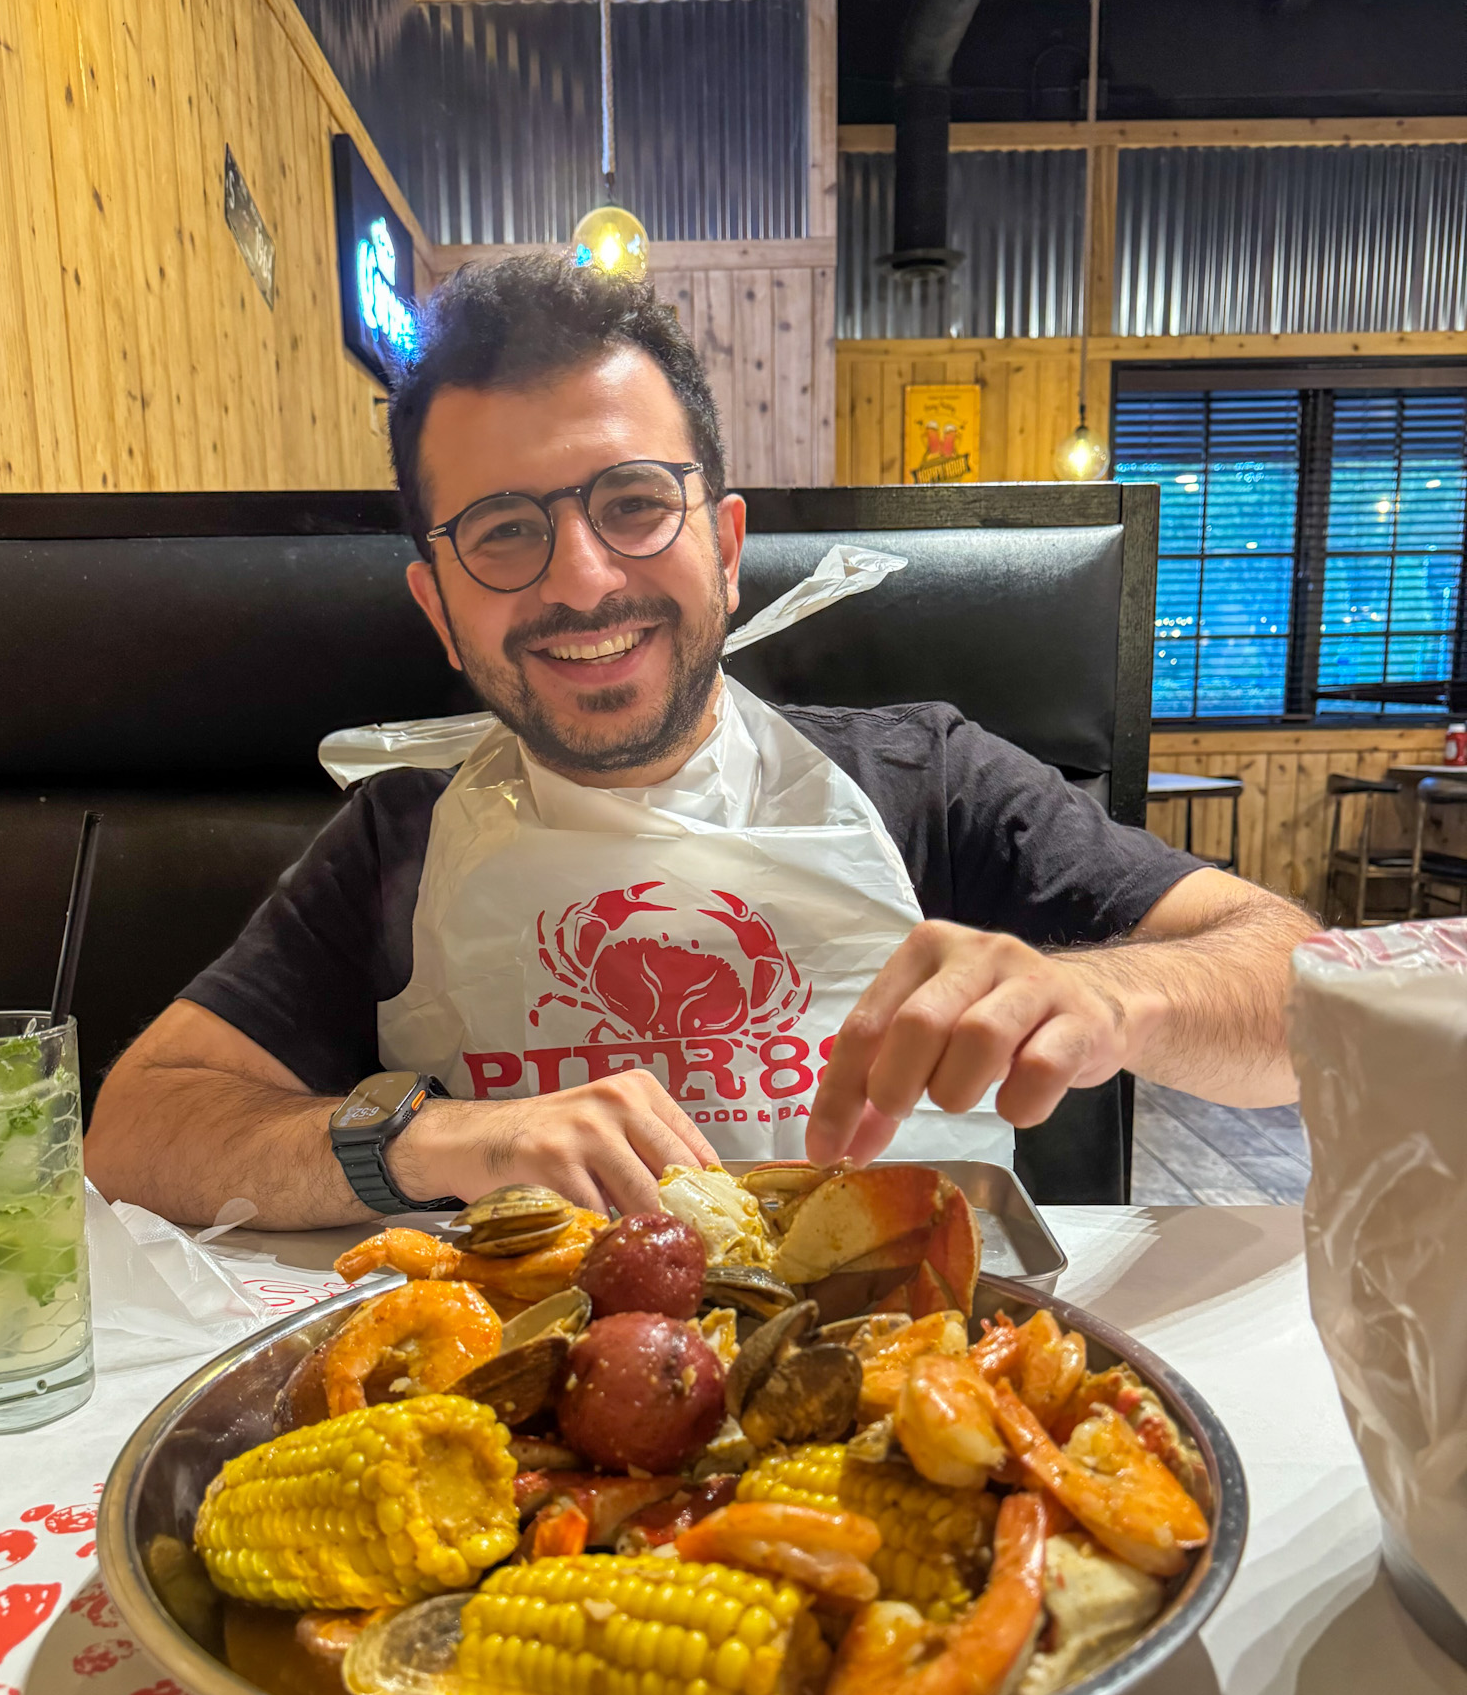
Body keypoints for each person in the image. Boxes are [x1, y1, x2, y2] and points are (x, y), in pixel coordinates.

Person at [86, 255, 1314, 1228]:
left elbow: (1306, 992)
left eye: (632, 504)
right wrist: (435, 1139)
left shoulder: (922, 779)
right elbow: (136, 1129)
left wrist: (1106, 992)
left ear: (725, 548)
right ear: (441, 611)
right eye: (503, 532)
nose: (581, 580)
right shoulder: (395, 839)